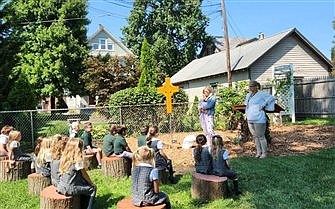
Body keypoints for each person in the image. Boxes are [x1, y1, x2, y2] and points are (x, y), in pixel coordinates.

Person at [57, 138, 97, 209]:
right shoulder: (77, 161)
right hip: (70, 189)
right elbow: (85, 175)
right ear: (78, 148)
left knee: (83, 186)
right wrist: (91, 183)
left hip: (61, 186)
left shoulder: (64, 158)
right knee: (92, 189)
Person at [245, 80, 275, 158]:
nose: (250, 88)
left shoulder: (261, 94)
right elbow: (247, 106)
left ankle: (264, 153)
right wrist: (246, 115)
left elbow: (271, 98)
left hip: (259, 118)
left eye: (252, 86)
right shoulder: (248, 95)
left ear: (256, 86)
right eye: (249, 86)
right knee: (255, 136)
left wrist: (263, 105)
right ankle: (258, 152)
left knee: (261, 136)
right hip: (250, 118)